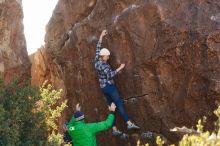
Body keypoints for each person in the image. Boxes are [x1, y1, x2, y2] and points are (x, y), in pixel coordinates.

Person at [94, 29, 140, 136]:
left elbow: (98, 47)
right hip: (109, 87)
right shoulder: (104, 65)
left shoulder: (96, 60)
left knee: (112, 107)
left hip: (103, 88)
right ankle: (128, 123)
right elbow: (110, 75)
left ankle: (114, 129)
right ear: (104, 56)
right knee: (119, 103)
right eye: (107, 56)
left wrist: (101, 35)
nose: (108, 57)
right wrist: (120, 68)